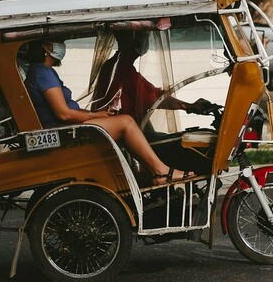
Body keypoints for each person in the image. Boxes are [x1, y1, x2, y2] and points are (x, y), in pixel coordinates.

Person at [24, 40, 192, 183]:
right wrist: (95, 115)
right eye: (57, 41)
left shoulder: (44, 72)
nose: (62, 45)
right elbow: (64, 114)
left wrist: (99, 113)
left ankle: (147, 171)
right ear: (46, 47)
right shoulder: (41, 73)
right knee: (126, 122)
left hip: (70, 126)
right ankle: (160, 171)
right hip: (64, 131)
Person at [89, 30, 213, 120]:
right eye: (143, 36)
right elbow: (152, 98)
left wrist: (188, 106)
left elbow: (154, 96)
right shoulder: (121, 67)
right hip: (120, 126)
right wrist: (188, 106)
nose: (145, 41)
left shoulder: (117, 64)